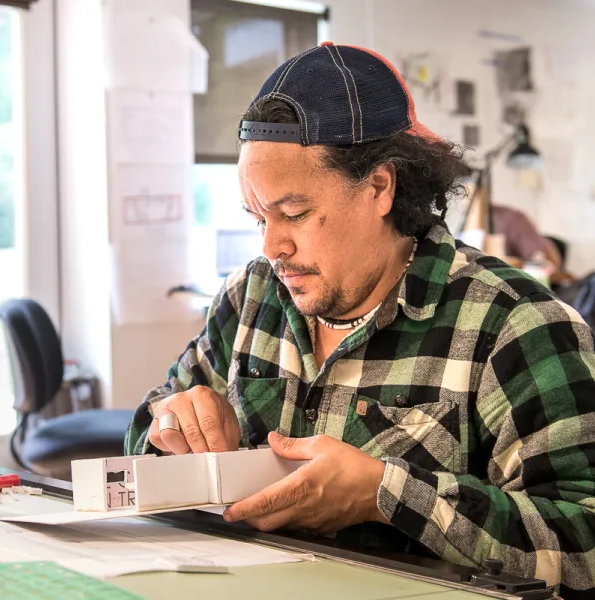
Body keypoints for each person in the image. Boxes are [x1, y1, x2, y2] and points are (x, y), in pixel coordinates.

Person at [124, 42, 595, 599]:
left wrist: (386, 494)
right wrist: (170, 424)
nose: (274, 245)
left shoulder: (516, 325)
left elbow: (583, 546)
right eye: (258, 218)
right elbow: (148, 428)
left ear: (380, 186)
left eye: (294, 213)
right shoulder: (253, 295)